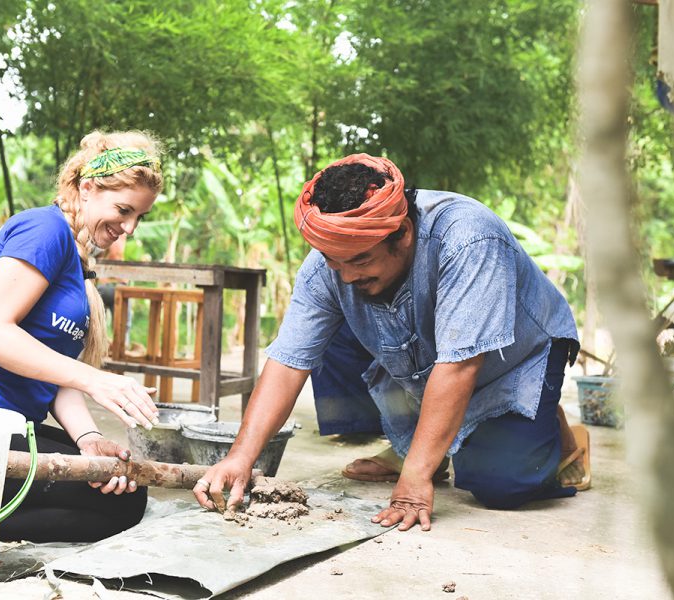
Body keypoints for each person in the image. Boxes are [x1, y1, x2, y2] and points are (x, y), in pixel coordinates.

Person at [193, 153, 590, 532]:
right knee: (326, 334)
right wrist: (240, 458)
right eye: (335, 262)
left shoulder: (468, 238)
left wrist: (415, 480)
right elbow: (288, 361)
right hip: (430, 356)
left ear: (402, 234)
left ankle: (551, 425)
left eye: (361, 261)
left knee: (499, 484)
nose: (346, 276)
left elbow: (460, 366)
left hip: (514, 359)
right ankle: (420, 446)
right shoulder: (330, 263)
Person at [0, 131, 164, 543]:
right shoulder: (43, 229)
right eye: (124, 210)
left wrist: (88, 439)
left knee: (121, 483)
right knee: (120, 502)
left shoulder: (74, 259)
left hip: (15, 425)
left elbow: (55, 378)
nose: (130, 228)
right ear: (87, 189)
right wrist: (96, 379)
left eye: (139, 216)